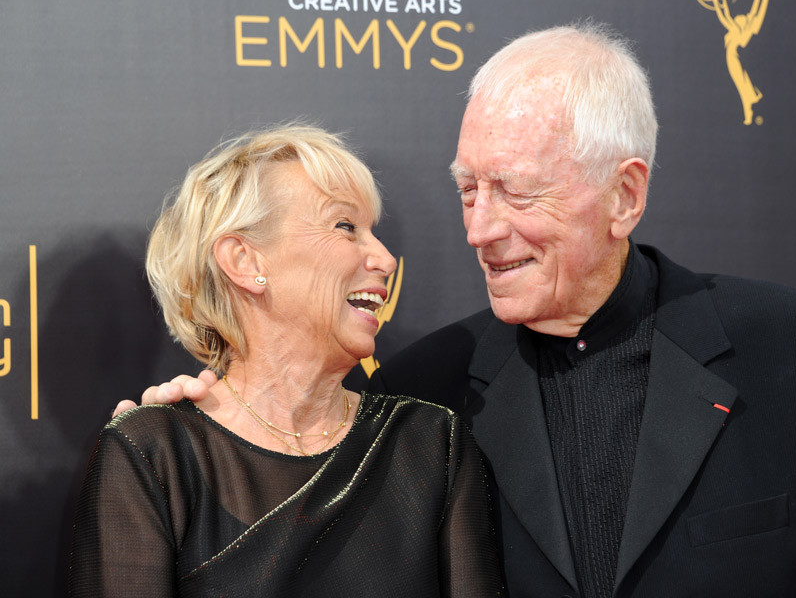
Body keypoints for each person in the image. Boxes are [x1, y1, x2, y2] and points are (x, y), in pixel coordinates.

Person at [128, 24, 796, 597]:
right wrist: (201, 420)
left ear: (625, 195)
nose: (479, 229)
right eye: (469, 189)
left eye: (517, 192)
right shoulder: (421, 395)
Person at [70, 124, 505, 597]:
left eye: (372, 232)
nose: (384, 258)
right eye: (345, 227)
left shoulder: (430, 444)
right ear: (244, 261)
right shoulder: (156, 455)